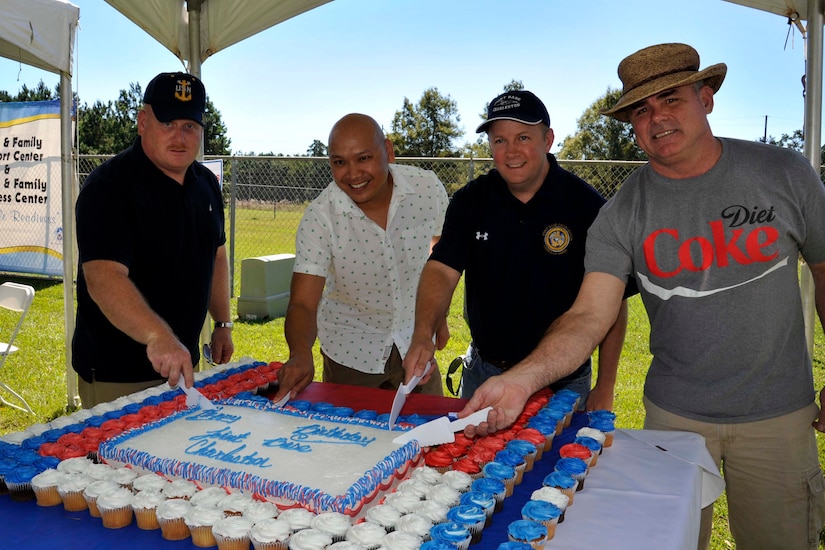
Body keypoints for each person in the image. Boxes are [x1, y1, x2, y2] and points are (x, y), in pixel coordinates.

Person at [454, 43, 825, 549]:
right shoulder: (622, 211)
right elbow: (588, 314)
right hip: (674, 417)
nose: (658, 118)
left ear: (706, 97)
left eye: (671, 99)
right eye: (641, 110)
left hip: (778, 416)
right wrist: (522, 379)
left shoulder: (784, 174)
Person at [404, 90, 629, 408]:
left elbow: (614, 303)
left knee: (558, 459)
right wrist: (423, 334)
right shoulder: (472, 201)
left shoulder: (587, 207)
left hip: (562, 384)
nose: (511, 152)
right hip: (485, 372)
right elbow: (442, 268)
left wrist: (605, 386)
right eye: (500, 141)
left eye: (523, 137)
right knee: (473, 458)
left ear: (548, 139)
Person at [73, 72, 234, 408]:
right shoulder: (109, 187)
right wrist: (159, 337)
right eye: (167, 123)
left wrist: (222, 322)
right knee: (116, 462)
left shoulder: (205, 183)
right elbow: (103, 278)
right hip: (117, 375)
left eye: (189, 126)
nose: (179, 136)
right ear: (142, 122)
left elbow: (216, 255)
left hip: (182, 366)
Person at [272, 113, 449, 401]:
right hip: (350, 355)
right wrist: (300, 353)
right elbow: (303, 303)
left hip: (415, 345)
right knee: (352, 444)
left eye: (364, 158)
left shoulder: (427, 189)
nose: (353, 174)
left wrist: (436, 317)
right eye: (339, 162)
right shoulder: (320, 217)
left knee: (428, 439)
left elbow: (440, 258)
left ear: (388, 151)